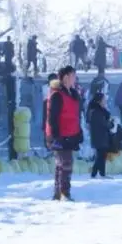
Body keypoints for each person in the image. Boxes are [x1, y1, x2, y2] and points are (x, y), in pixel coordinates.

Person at [46, 66, 83, 201]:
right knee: (65, 164)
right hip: (60, 135)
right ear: (66, 77)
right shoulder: (57, 94)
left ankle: (58, 193)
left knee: (61, 164)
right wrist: (57, 136)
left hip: (71, 133)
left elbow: (75, 115)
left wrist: (79, 131)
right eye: (73, 75)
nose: (75, 78)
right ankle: (64, 193)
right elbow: (52, 118)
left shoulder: (72, 94)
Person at [87, 92, 115, 179]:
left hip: (100, 136)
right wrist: (112, 124)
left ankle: (98, 173)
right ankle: (97, 173)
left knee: (101, 155)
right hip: (99, 136)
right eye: (103, 100)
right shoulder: (96, 111)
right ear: (99, 101)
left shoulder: (98, 110)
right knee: (100, 156)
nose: (105, 102)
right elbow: (103, 123)